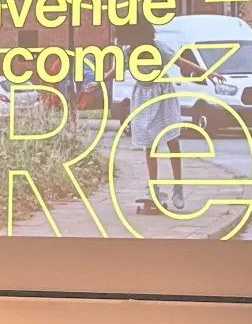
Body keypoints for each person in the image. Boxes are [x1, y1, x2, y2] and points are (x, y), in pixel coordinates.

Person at [86, 18, 217, 211]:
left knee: (173, 140)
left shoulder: (159, 49)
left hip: (163, 93)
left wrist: (207, 73)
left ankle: (178, 188)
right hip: (143, 95)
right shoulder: (129, 53)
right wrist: (99, 82)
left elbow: (181, 61)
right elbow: (116, 70)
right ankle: (153, 188)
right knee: (150, 143)